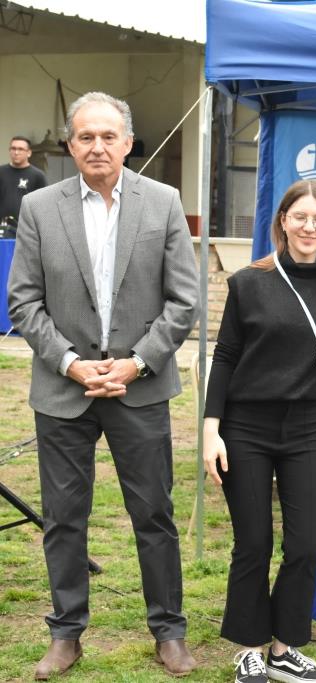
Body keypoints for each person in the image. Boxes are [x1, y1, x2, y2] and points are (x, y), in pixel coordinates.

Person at [6, 92, 199, 679]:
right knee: (64, 519)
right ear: (70, 146)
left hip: (138, 388)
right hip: (65, 392)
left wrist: (136, 362)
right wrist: (69, 362)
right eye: (85, 137)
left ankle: (168, 631)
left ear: (126, 143)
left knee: (154, 516)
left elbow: (184, 300)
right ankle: (66, 634)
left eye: (108, 136)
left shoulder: (164, 203)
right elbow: (23, 301)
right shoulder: (40, 207)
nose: (97, 146)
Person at [203, 179, 316, 683]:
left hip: (308, 428)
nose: (310, 226)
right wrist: (210, 428)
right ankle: (250, 647)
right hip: (246, 426)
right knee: (253, 543)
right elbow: (224, 357)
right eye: (301, 216)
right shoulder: (249, 282)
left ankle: (285, 649)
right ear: (283, 220)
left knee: (307, 544)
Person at [0, 135, 48, 232]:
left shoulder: (38, 176)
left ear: (29, 153)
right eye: (13, 148)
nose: (16, 152)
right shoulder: (1, 172)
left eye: (20, 149)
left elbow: (44, 206)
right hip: (2, 229)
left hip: (27, 230)